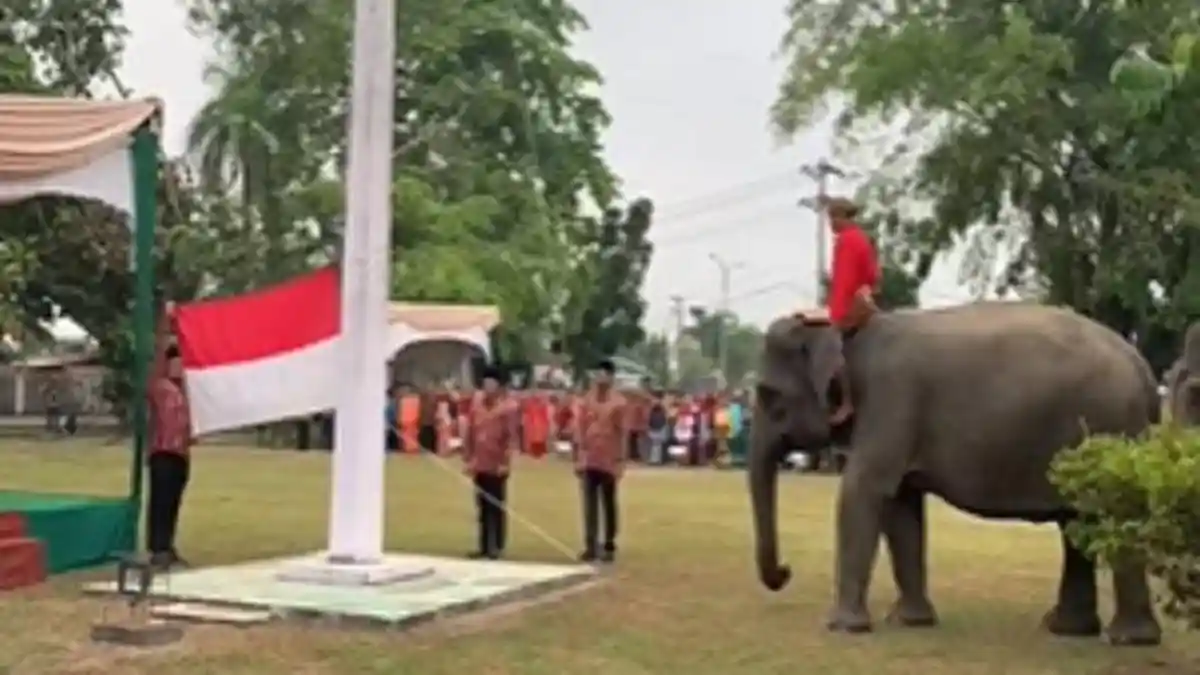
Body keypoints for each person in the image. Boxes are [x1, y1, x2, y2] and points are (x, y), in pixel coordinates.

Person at [823, 196, 880, 425]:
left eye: (832, 218)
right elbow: (873, 277)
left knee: (837, 356)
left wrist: (839, 315)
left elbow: (843, 282)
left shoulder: (846, 242)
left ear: (842, 216)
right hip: (862, 304)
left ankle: (848, 402)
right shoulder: (862, 240)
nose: (831, 224)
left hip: (848, 309)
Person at [147, 303, 193, 569]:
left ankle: (168, 546)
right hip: (162, 452)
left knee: (174, 501)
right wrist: (167, 324)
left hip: (181, 455)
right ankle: (157, 548)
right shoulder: (160, 387)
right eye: (175, 364)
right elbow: (158, 356)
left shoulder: (187, 393)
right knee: (160, 500)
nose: (178, 369)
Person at [461, 365, 517, 560]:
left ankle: (497, 545)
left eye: (491, 382)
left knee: (496, 505)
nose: (487, 386)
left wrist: (505, 462)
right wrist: (467, 458)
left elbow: (511, 438)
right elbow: (470, 433)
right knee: (482, 506)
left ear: (499, 386)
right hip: (480, 462)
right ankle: (484, 545)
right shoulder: (477, 406)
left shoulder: (508, 407)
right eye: (485, 382)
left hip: (497, 463)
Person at [574, 359, 626, 562]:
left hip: (609, 459)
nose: (600, 378)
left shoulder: (619, 403)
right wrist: (578, 456)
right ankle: (590, 544)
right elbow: (580, 429)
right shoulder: (587, 400)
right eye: (598, 374)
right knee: (589, 504)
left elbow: (622, 433)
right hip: (590, 458)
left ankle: (609, 543)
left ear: (611, 377)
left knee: (608, 503)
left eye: (604, 374)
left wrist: (620, 461)